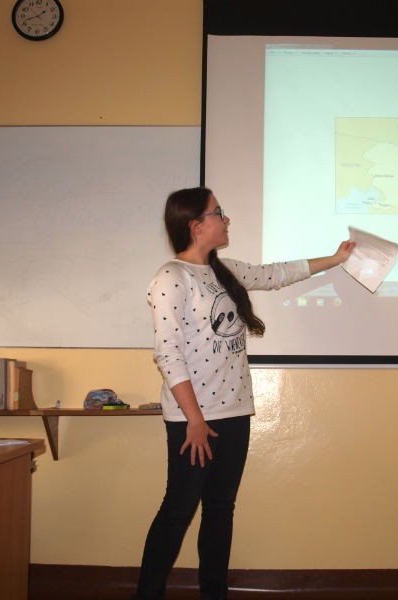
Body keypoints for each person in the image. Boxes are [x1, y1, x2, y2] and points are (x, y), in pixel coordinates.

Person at [133, 187, 355, 600]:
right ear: (196, 225)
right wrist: (195, 420)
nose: (226, 219)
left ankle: (214, 594)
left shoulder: (225, 270)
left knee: (220, 510)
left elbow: (276, 274)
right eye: (218, 212)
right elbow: (168, 354)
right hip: (194, 420)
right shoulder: (170, 277)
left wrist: (335, 258)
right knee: (178, 511)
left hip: (235, 413)